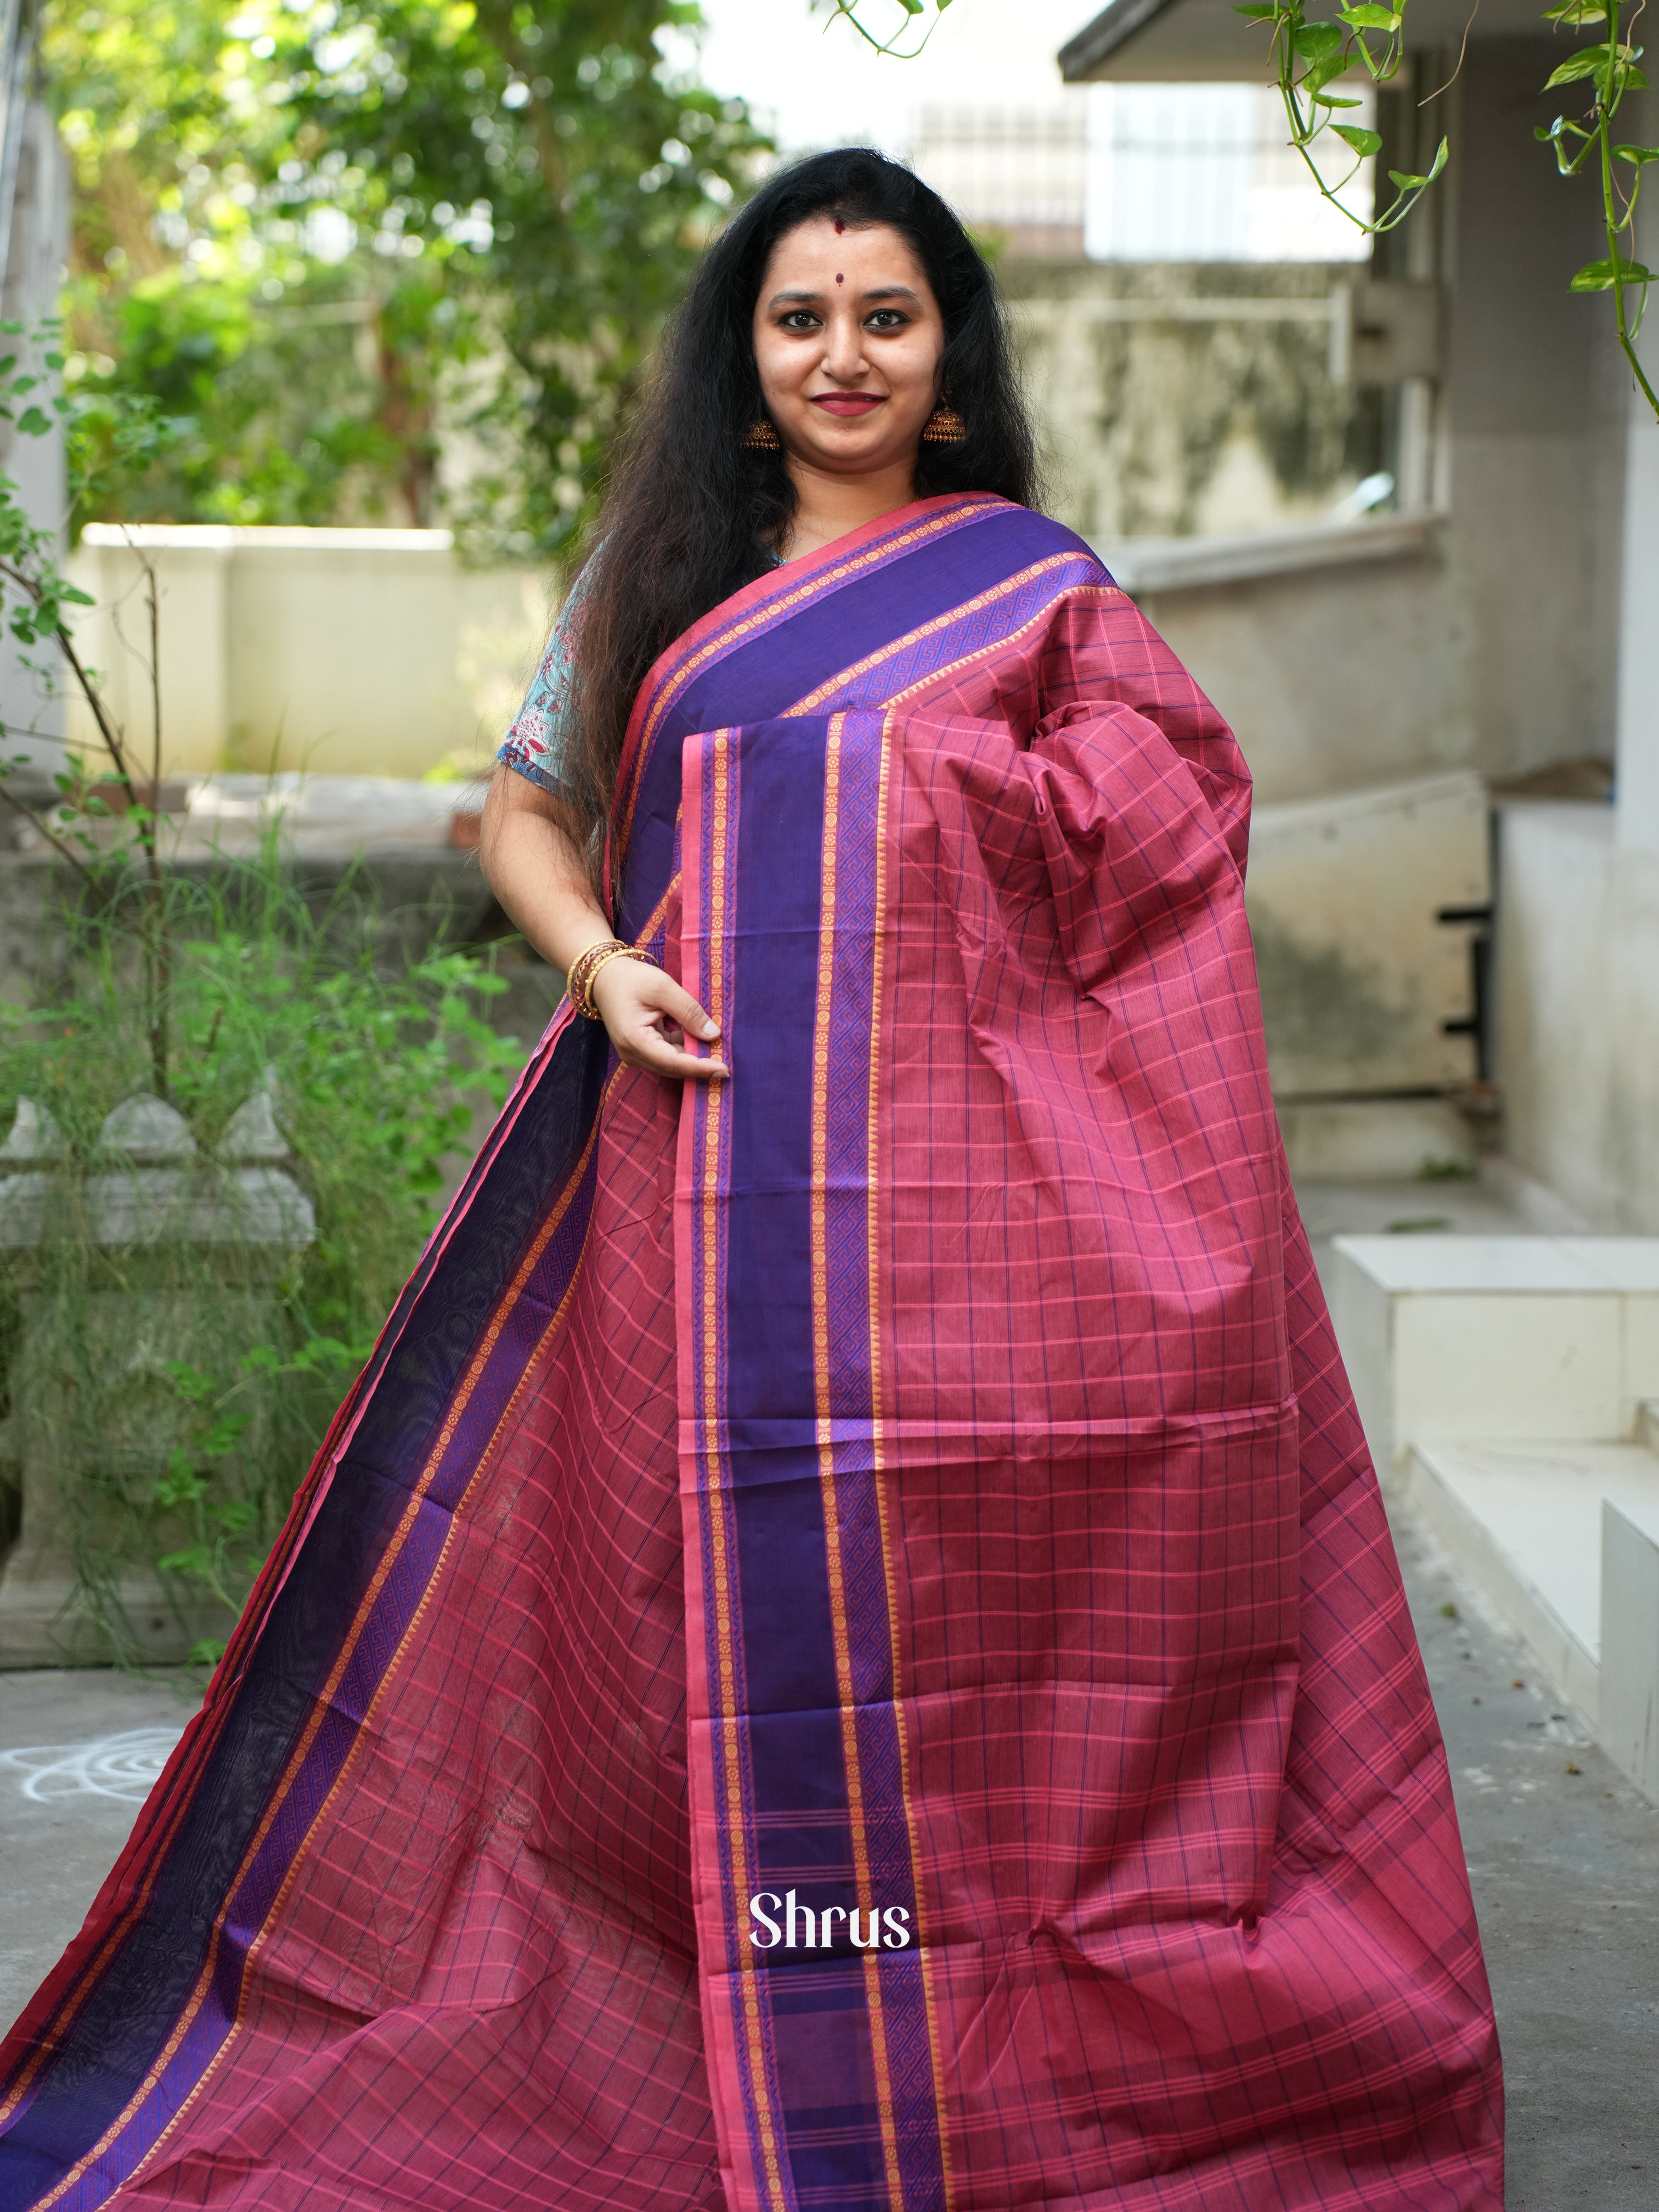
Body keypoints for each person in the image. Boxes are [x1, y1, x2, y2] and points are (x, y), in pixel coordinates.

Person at [0, 150, 1502, 2211]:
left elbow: (1165, 837)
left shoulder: (1038, 591)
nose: (843, 355)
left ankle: (958, 2026)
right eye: (801, 317)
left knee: (974, 1616)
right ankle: (767, 1984)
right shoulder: (665, 578)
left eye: (887, 316)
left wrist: (910, 803)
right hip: (701, 1192)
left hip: (979, 1230)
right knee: (687, 1611)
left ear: (949, 364)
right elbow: (525, 816)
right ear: (748, 357)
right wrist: (608, 962)